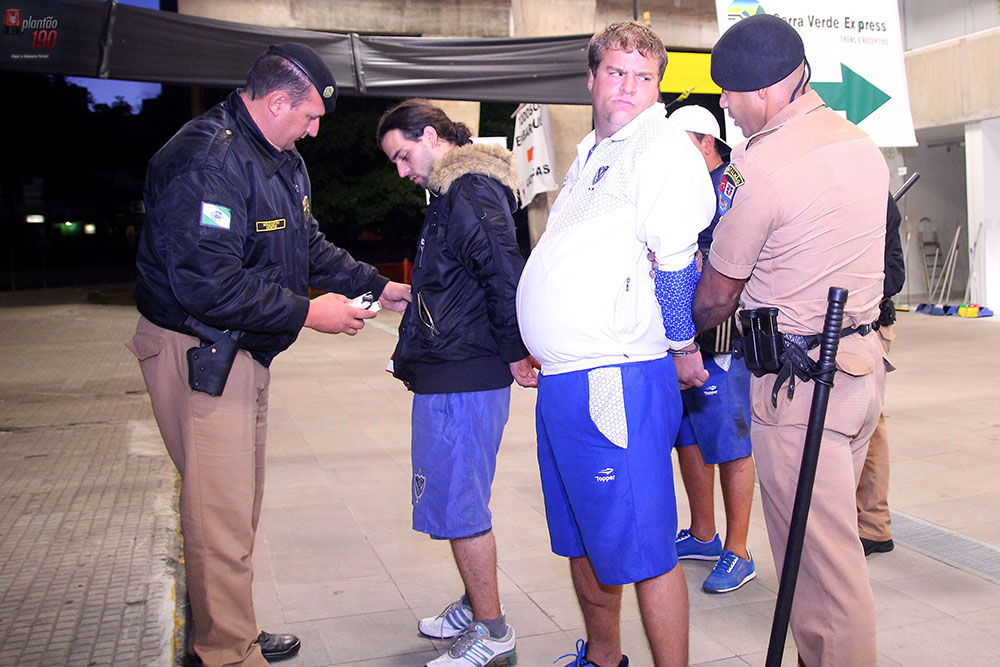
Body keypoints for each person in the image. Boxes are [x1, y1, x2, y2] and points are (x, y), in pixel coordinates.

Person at [126, 43, 411, 667]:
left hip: (241, 350)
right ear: (276, 100)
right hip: (200, 348)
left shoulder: (277, 159)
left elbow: (304, 245)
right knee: (219, 511)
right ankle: (226, 652)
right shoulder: (209, 161)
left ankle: (230, 631)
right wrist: (312, 313)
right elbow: (207, 283)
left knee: (232, 506)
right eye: (308, 117)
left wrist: (375, 284)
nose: (313, 131)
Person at [516, 21, 715, 667]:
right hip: (566, 379)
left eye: (643, 76)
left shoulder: (658, 145)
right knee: (580, 539)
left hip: (616, 377)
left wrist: (684, 345)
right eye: (615, 72)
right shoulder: (593, 151)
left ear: (656, 85)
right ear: (593, 77)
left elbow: (678, 262)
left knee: (646, 546)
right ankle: (604, 657)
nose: (628, 86)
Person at [691, 14, 888, 666]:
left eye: (728, 93)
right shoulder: (860, 143)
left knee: (826, 574)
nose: (724, 104)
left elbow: (719, 292)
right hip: (859, 371)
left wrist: (672, 333)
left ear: (767, 91)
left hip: (800, 388)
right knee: (824, 553)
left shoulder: (762, 168)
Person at [377, 100, 538, 667]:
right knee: (451, 499)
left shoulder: (469, 189)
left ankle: (494, 633)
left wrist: (518, 353)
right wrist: (411, 352)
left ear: (430, 135)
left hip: (466, 375)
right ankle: (475, 604)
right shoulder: (453, 191)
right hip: (451, 371)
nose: (401, 171)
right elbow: (448, 288)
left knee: (461, 505)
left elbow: (503, 272)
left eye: (402, 155)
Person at [667, 104, 757, 594]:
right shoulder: (679, 190)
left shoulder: (733, 186)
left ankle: (738, 550)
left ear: (706, 142)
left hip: (725, 343)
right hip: (682, 342)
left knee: (731, 444)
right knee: (688, 440)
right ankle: (704, 532)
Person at [857, 193, 905, 556]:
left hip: (868, 327)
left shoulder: (875, 195)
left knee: (869, 426)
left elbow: (894, 275)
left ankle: (873, 525)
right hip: (848, 327)